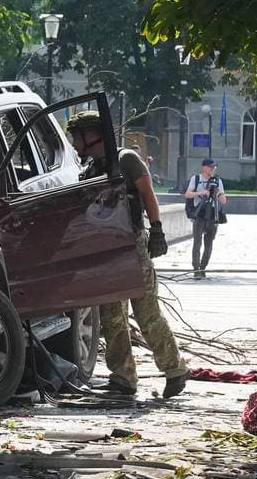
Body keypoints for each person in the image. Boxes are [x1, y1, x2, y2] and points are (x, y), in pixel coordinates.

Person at [67, 111, 188, 398]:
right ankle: (123, 377)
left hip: (131, 247)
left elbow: (148, 195)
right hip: (105, 252)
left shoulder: (126, 159)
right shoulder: (91, 169)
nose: (73, 142)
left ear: (91, 134)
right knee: (112, 316)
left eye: (76, 136)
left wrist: (156, 229)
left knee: (147, 314)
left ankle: (175, 370)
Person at [184, 158, 226, 278]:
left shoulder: (218, 181)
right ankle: (196, 269)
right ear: (204, 168)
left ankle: (203, 268)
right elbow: (187, 194)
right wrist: (201, 193)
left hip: (213, 214)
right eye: (210, 167)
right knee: (197, 242)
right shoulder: (196, 179)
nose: (213, 169)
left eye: (214, 167)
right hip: (200, 213)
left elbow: (223, 201)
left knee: (209, 243)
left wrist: (218, 193)